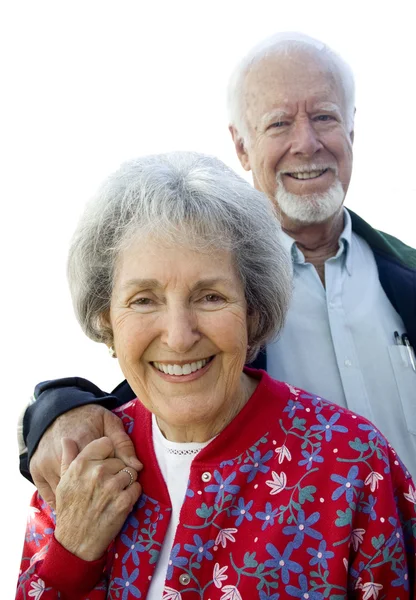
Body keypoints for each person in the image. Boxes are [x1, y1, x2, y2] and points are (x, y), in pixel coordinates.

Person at [18, 33, 416, 507]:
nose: (306, 143)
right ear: (242, 147)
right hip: (300, 567)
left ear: (351, 130)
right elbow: (162, 375)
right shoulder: (225, 296)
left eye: (324, 117)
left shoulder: (405, 278)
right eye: (279, 123)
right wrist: (53, 412)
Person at [17, 152, 416, 599]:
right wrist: (70, 559)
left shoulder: (355, 464)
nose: (180, 337)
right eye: (144, 300)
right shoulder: (73, 467)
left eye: (209, 296)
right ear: (106, 319)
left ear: (253, 310)